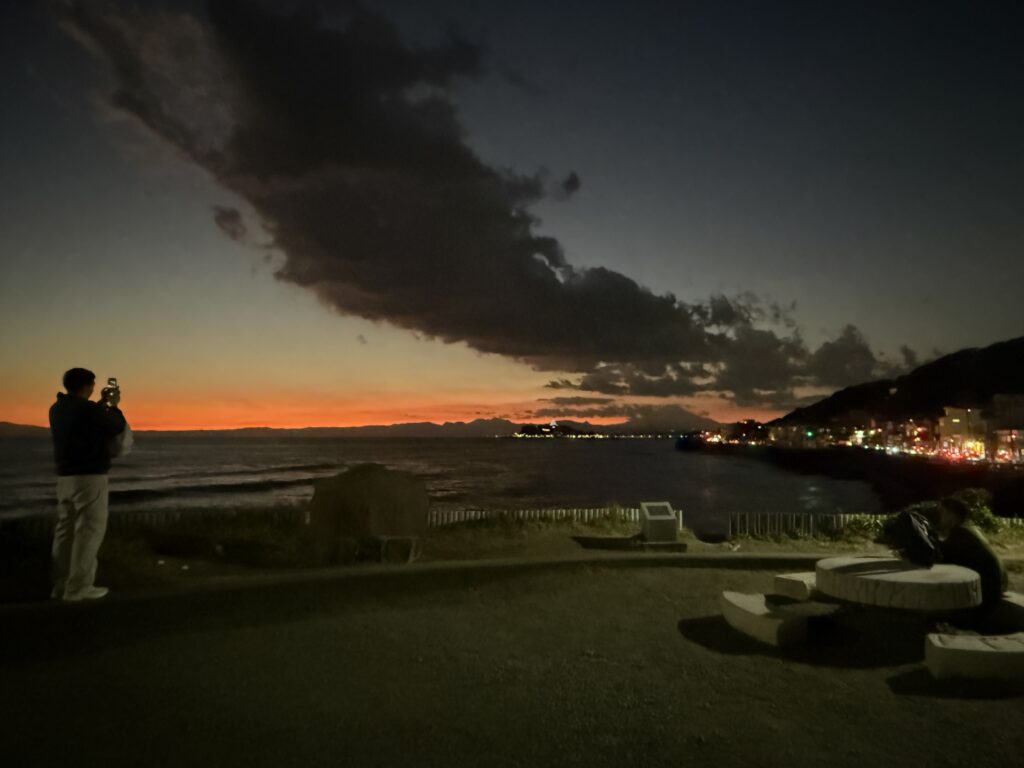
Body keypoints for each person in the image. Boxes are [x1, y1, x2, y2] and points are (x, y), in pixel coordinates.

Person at [48, 368, 127, 601]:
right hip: (90, 477)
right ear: (88, 385)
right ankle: (79, 586)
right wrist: (113, 404)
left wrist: (101, 402)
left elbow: (88, 419)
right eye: (92, 385)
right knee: (88, 532)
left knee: (65, 532)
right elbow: (115, 425)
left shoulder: (58, 408)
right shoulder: (85, 409)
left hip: (65, 478)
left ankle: (61, 584)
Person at [932, 496, 1010, 633]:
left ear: (951, 515)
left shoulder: (960, 533)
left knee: (937, 611)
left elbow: (940, 558)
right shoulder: (971, 528)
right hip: (998, 585)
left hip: (986, 593)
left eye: (942, 513)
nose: (940, 517)